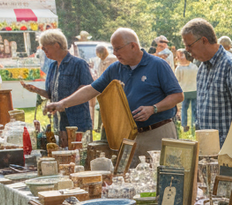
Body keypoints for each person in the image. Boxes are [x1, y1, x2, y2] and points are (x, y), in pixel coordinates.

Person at [44, 28, 183, 158]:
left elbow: (177, 95)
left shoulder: (158, 65)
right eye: (114, 49)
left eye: (118, 49)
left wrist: (153, 108)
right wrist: (63, 103)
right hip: (128, 135)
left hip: (157, 132)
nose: (115, 53)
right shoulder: (115, 69)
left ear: (133, 46)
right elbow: (91, 90)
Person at [182, 18, 232, 205]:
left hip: (229, 149)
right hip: (206, 152)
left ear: (204, 40)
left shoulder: (231, 65)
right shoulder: (202, 67)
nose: (187, 50)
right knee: (213, 199)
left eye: (189, 45)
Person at [24, 29, 94, 133]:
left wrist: (65, 103)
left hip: (77, 120)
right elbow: (51, 95)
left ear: (57, 45)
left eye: (46, 48)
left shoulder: (79, 64)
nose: (45, 52)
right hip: (59, 121)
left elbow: (87, 91)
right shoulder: (52, 66)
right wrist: (36, 90)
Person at [174, 49, 198, 132]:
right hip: (194, 89)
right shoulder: (194, 66)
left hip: (184, 91)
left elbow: (176, 80)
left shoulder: (179, 68)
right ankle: (194, 125)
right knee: (194, 109)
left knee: (184, 109)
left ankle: (184, 126)